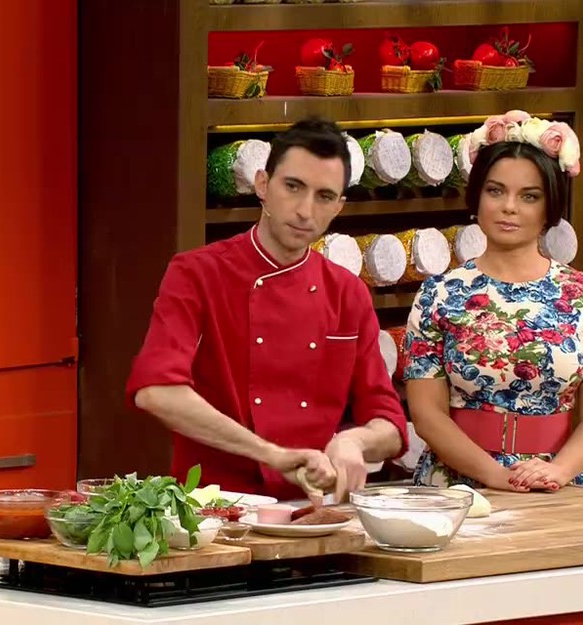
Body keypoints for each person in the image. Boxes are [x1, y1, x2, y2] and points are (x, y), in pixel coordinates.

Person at [127, 117, 408, 502]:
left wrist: (354, 442)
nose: (305, 210)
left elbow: (390, 423)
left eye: (324, 196)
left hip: (311, 508)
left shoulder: (347, 292)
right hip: (214, 508)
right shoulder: (197, 273)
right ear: (262, 184)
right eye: (293, 186)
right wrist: (271, 454)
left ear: (339, 207)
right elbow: (156, 391)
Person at [403, 111, 583, 493]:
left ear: (550, 206)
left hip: (557, 482)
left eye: (529, 196)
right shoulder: (438, 293)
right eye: (495, 191)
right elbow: (427, 414)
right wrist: (494, 476)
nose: (509, 206)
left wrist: (559, 471)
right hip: (459, 485)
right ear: (477, 196)